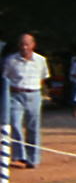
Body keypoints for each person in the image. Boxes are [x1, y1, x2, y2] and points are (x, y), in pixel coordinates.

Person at [3, 33, 48, 168]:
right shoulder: (11, 60)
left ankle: (33, 159)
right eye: (22, 44)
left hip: (33, 94)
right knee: (15, 124)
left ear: (33, 45)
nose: (24, 47)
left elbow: (43, 77)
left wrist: (34, 88)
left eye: (27, 44)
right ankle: (19, 155)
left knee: (32, 127)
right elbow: (5, 78)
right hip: (15, 95)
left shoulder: (41, 60)